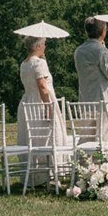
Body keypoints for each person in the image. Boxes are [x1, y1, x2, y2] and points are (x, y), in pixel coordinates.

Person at [18, 35, 66, 167]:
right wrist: (48, 107)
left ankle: (34, 172)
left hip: (28, 103)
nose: (45, 46)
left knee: (33, 137)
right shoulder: (39, 63)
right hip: (40, 103)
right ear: (38, 46)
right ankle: (50, 171)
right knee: (48, 137)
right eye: (44, 44)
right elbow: (42, 86)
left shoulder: (24, 64)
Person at [73, 21, 108, 108]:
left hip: (85, 102)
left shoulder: (78, 50)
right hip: (103, 103)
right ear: (103, 32)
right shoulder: (101, 51)